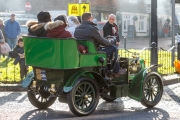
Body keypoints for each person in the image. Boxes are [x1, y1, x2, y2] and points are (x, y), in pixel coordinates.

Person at [74, 12, 126, 78]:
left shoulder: (77, 29)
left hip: (85, 52)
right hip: (95, 52)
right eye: (92, 17)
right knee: (113, 48)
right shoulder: (92, 28)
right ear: (89, 19)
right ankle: (115, 71)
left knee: (107, 48)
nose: (93, 18)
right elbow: (104, 42)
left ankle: (107, 69)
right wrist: (113, 40)